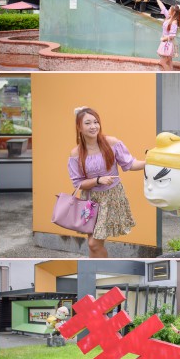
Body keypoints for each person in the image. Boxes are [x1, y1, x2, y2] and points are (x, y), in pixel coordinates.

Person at [67, 107, 145, 257]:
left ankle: (102, 269)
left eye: (96, 122)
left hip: (111, 197)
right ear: (79, 127)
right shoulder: (76, 153)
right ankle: (95, 273)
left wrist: (150, 162)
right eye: (88, 123)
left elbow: (130, 164)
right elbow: (78, 183)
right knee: (93, 246)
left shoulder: (111, 142)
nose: (93, 126)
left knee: (93, 244)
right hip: (89, 201)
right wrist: (97, 180)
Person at [153, 0, 180, 71]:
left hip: (168, 43)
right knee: (169, 61)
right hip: (166, 42)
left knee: (162, 62)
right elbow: (162, 7)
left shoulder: (174, 22)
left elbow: (172, 35)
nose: (168, 10)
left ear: (173, 12)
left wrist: (163, 38)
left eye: (170, 9)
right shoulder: (169, 17)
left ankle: (169, 76)